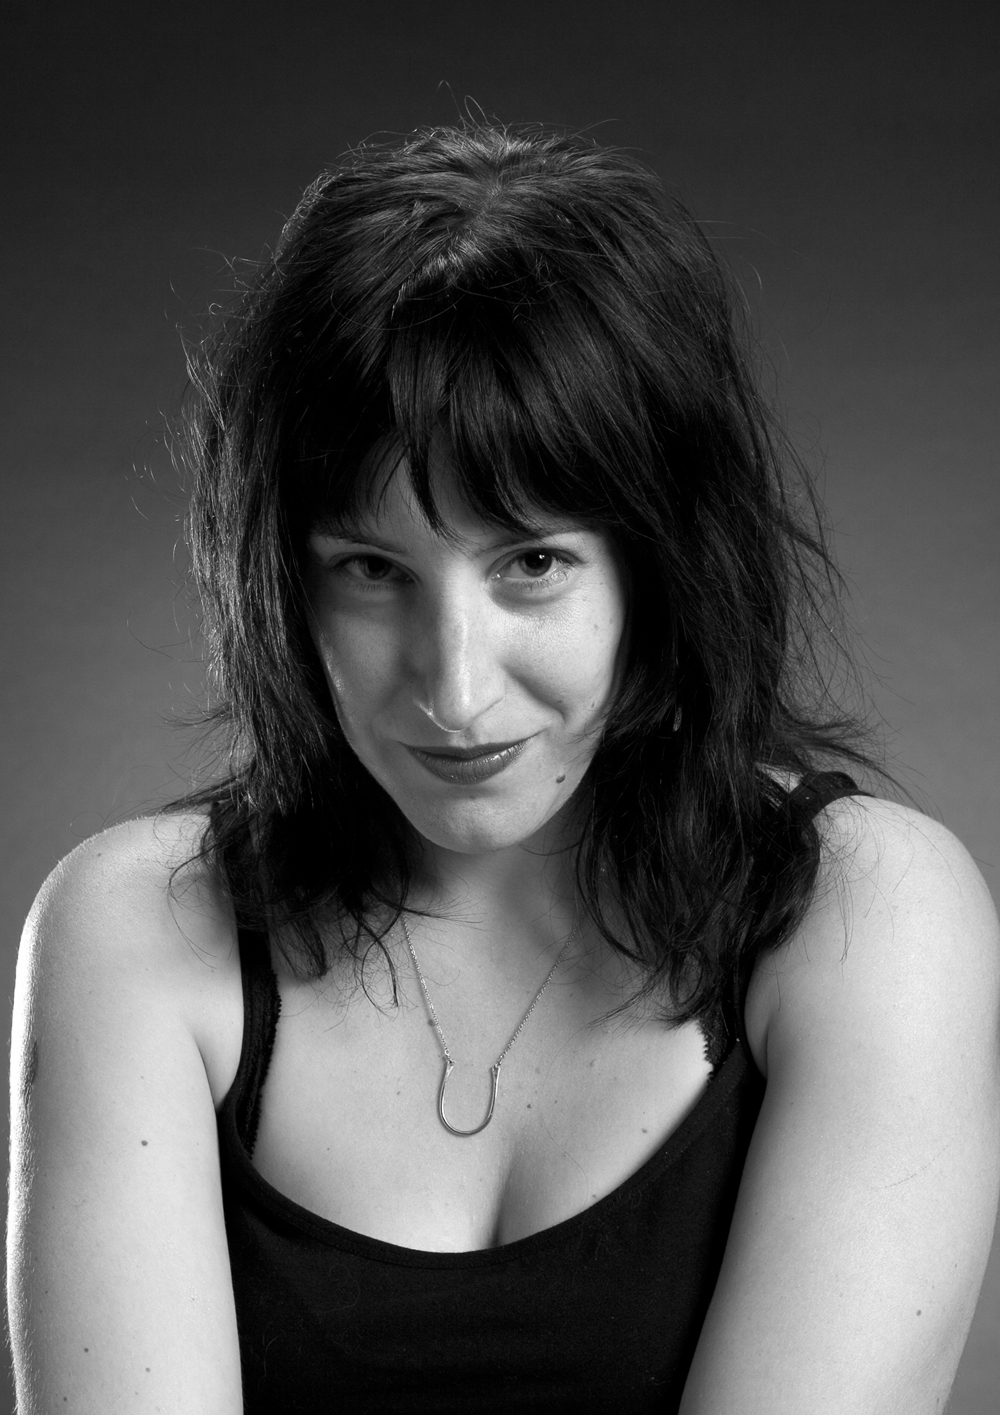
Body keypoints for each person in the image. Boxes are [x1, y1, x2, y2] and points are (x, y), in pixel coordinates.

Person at [8, 124, 999, 1414]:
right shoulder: (138, 928)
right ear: (284, 583)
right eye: (372, 570)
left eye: (531, 563)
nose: (454, 688)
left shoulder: (865, 916)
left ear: (662, 567)